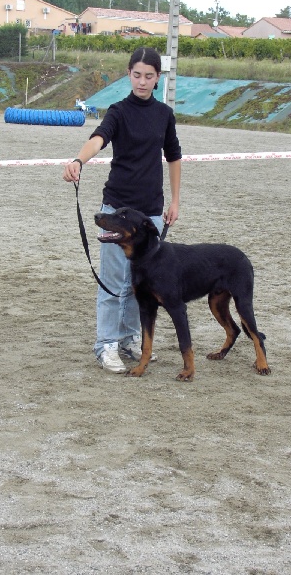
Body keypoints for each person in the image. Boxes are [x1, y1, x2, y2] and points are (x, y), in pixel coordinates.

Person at [63, 47, 182, 373]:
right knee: (114, 283)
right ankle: (106, 345)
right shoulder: (118, 111)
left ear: (158, 78)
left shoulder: (164, 115)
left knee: (140, 285)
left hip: (150, 216)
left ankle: (131, 339)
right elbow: (98, 138)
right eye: (137, 74)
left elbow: (173, 157)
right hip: (117, 209)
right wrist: (78, 160)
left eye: (149, 76)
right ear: (129, 74)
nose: (142, 81)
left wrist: (174, 200)